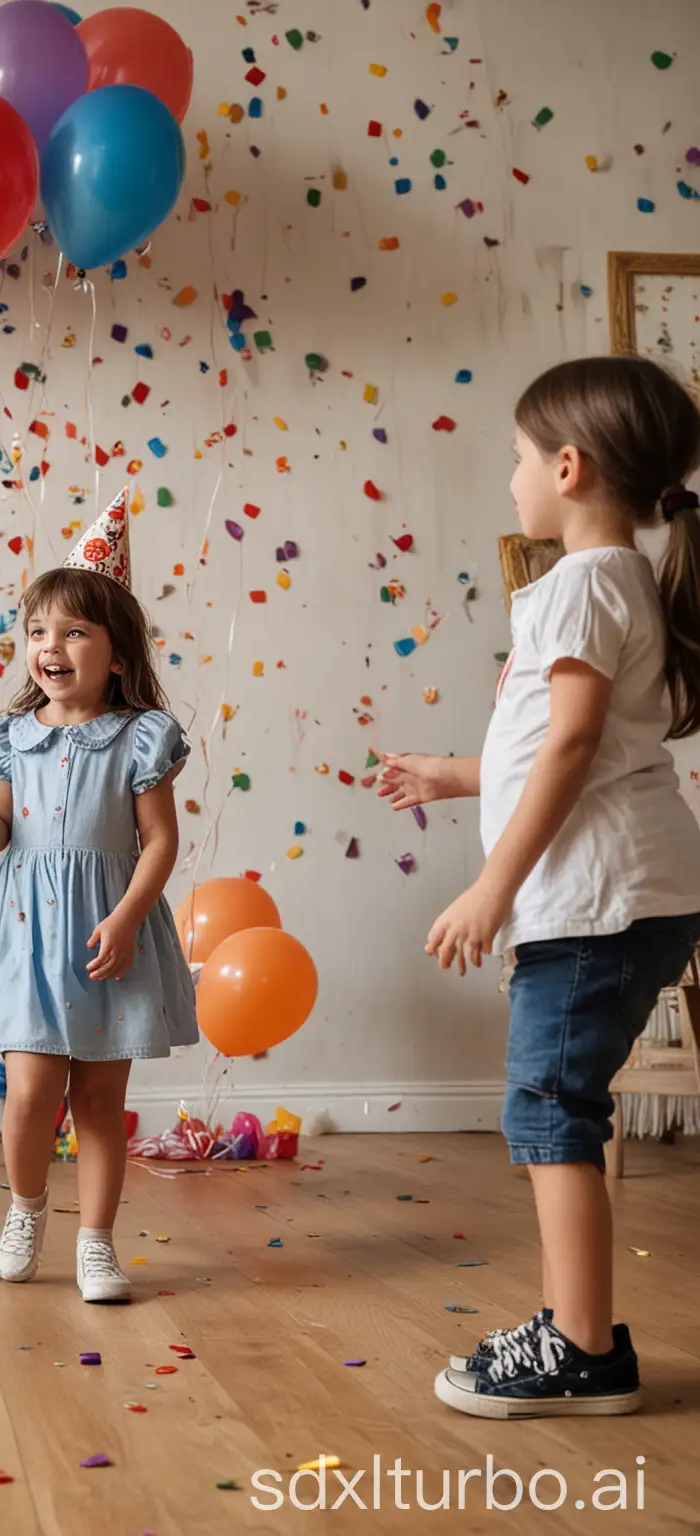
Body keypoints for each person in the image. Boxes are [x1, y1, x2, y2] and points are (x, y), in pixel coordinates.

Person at [380, 356, 700, 1417]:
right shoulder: (616, 585)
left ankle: (583, 1348)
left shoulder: (580, 585)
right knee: (554, 1108)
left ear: (568, 467)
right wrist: (453, 774)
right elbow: (566, 748)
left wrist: (489, 888)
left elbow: (568, 751)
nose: (510, 476)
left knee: (551, 1111)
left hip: (590, 906)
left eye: (518, 457)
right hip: (624, 896)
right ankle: (575, 1324)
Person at [0, 492, 197, 1303]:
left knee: (97, 1101)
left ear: (118, 654)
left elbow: (159, 841)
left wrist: (126, 918)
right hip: (25, 934)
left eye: (74, 632)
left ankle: (96, 1242)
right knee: (28, 1095)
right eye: (38, 632)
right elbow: (0, 837)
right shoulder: (13, 737)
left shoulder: (139, 736)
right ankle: (26, 1207)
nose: (50, 646)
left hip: (104, 937)